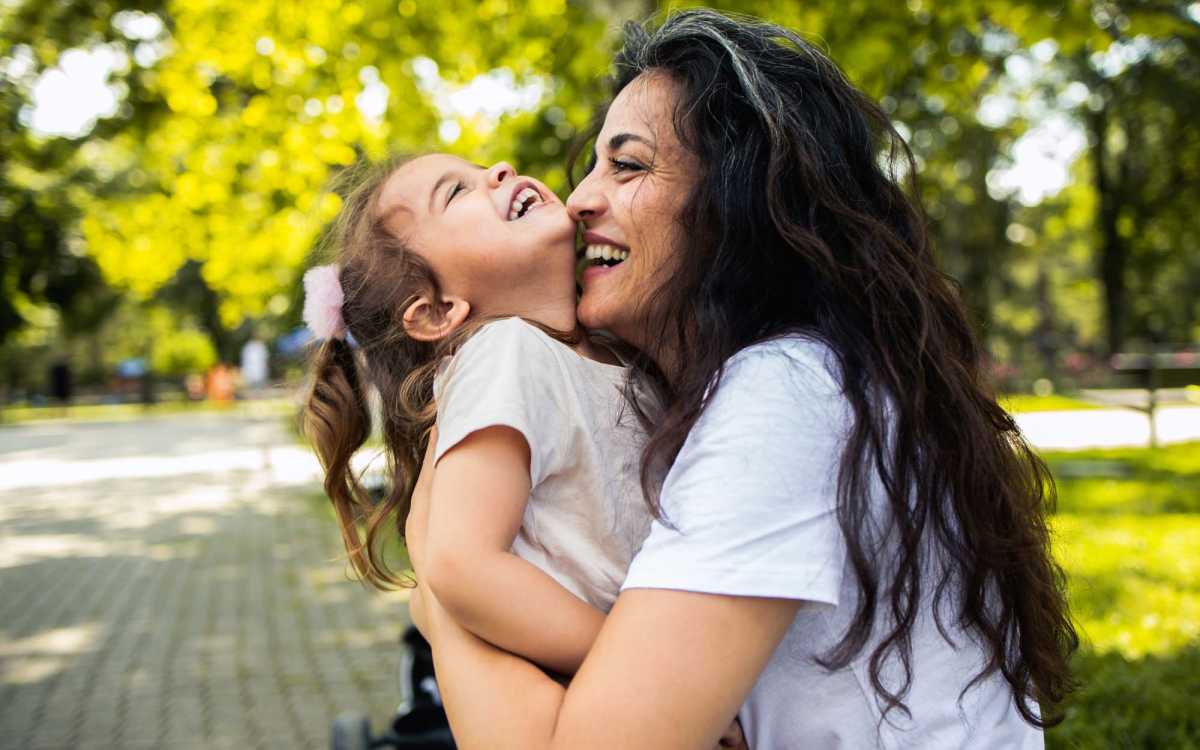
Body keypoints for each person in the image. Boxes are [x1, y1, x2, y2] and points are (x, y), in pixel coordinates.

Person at [406, 9, 1078, 749]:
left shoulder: (785, 398)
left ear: (739, 201)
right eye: (592, 166)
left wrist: (441, 590)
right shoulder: (782, 384)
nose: (579, 201)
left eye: (627, 165)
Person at [299, 155, 746, 748]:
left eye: (484, 168)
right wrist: (633, 664)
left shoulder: (610, 354)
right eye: (456, 192)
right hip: (598, 696)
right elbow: (463, 565)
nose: (501, 170)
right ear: (437, 311)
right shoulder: (505, 353)